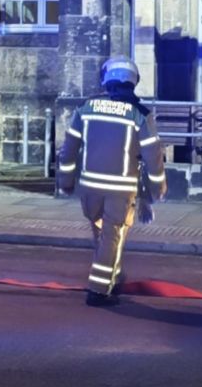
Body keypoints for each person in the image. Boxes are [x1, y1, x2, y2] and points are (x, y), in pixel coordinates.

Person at [55, 57, 166, 306]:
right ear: (133, 81)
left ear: (106, 80)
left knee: (103, 235)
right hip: (121, 190)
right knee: (112, 237)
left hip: (89, 189)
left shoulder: (86, 109)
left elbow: (68, 149)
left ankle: (112, 276)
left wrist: (66, 181)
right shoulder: (139, 115)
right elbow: (153, 157)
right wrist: (156, 190)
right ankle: (98, 290)